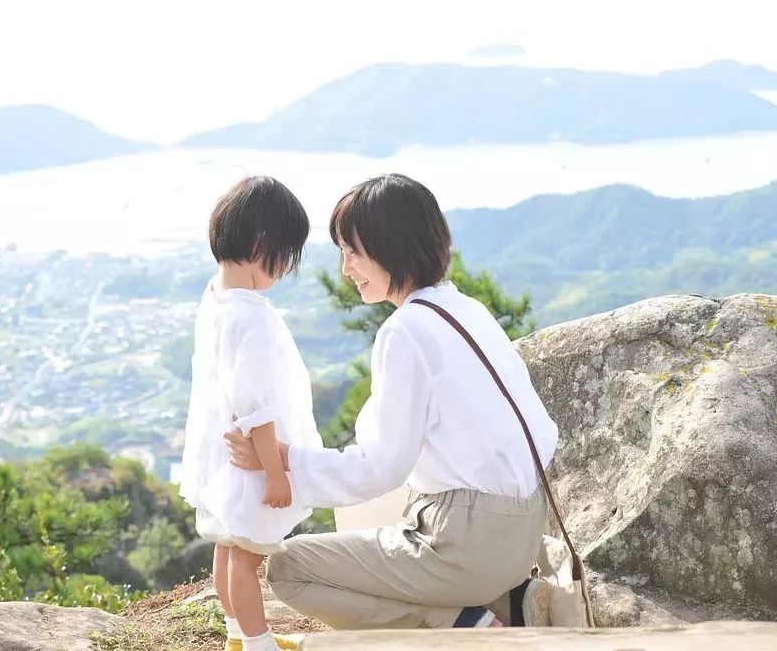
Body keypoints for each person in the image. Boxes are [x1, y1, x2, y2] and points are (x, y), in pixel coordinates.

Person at [225, 173, 559, 630]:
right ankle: (505, 601)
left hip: (467, 548)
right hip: (522, 535)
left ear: (392, 247)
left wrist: (282, 463)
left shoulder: (405, 333)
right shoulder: (466, 310)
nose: (346, 270)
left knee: (288, 567)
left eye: (353, 251)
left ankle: (463, 623)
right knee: (392, 508)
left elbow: (380, 468)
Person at [179, 176, 323, 651]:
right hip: (251, 460)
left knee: (227, 545)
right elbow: (256, 408)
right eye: (286, 257)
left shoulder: (214, 298)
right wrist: (275, 472)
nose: (284, 270)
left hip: (221, 458)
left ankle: (236, 636)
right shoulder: (253, 317)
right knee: (247, 558)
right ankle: (259, 644)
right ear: (264, 245)